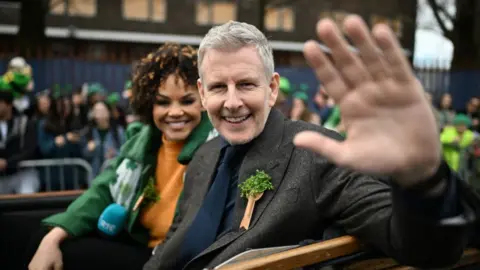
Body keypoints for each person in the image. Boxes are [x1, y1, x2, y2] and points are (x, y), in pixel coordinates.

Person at [143, 17, 480, 270]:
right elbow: (176, 242)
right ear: (203, 94)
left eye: (246, 84)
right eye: (218, 88)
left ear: (272, 89)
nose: (232, 102)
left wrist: (422, 177)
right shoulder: (203, 155)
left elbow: (425, 248)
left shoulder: (317, 154)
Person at [27, 43, 217, 270]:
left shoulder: (218, 144)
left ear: (204, 100)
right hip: (141, 245)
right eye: (163, 102)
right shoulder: (142, 142)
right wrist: (54, 236)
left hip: (175, 260)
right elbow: (104, 190)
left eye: (187, 101)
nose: (175, 112)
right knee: (43, 239)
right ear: (148, 104)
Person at [0, 80, 39, 194]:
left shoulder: (25, 123)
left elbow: (30, 150)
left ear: (9, 105)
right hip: (1, 178)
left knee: (26, 194)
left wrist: (8, 163)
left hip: (23, 173)